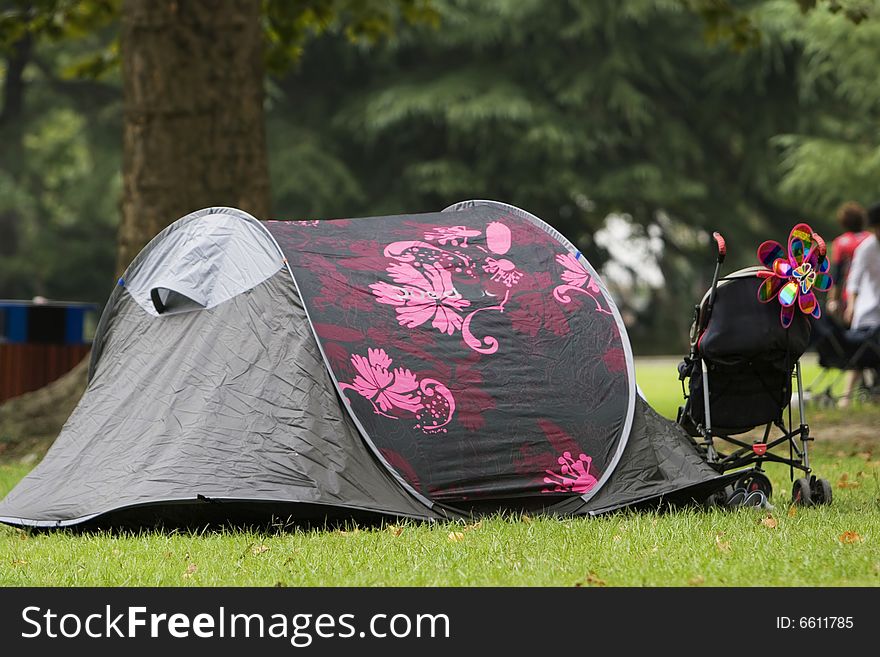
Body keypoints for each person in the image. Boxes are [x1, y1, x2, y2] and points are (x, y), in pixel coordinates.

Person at [840, 203, 880, 406]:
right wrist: (851, 305)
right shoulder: (867, 248)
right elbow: (854, 279)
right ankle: (846, 397)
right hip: (869, 308)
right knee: (861, 350)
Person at [827, 201, 870, 322]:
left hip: (849, 297)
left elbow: (837, 274)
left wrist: (832, 300)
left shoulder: (841, 243)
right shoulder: (871, 239)